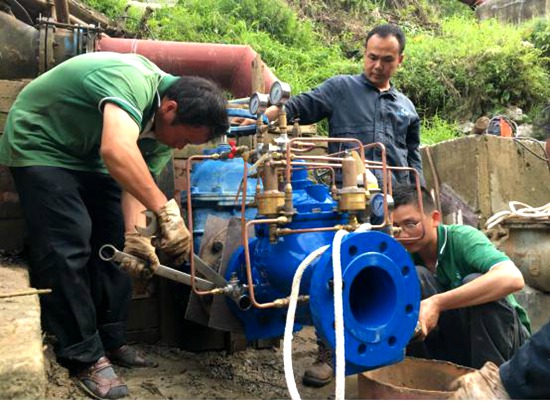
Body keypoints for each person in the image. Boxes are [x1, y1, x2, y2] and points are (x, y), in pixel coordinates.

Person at [0, 51, 228, 399]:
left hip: (91, 158)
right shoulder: (130, 79)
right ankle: (82, 354)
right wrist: (167, 213)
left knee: (116, 247)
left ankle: (111, 338)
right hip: (42, 143)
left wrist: (135, 237)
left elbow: (134, 184)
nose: (180, 147)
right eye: (183, 139)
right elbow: (117, 150)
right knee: (68, 242)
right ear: (169, 109)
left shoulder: (162, 134)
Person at [236, 23, 424, 388]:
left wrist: (417, 196)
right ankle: (329, 352)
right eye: (372, 57)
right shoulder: (341, 88)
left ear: (399, 61)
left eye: (387, 60)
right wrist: (260, 118)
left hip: (392, 202)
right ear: (364, 54)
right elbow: (298, 107)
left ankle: (387, 345)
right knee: (335, 274)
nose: (377, 66)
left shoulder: (406, 106)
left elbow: (412, 154)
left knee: (387, 273)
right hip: (347, 202)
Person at [391, 184, 530, 371]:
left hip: (509, 348)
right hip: (459, 346)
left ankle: (491, 381)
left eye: (410, 224)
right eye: (396, 228)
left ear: (435, 219)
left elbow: (512, 278)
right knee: (415, 278)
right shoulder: (403, 256)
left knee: (474, 281)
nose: (403, 235)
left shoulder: (463, 238)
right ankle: (426, 375)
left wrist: (437, 303)